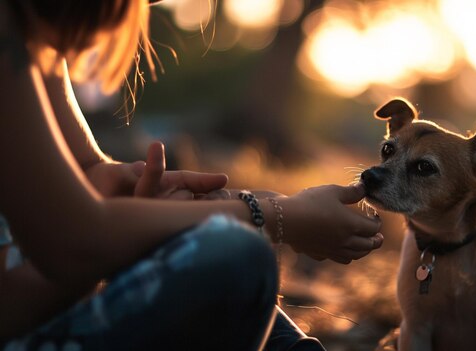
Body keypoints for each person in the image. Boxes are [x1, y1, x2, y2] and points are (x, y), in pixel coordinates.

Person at [0, 0, 384, 349]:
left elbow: (89, 174)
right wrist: (273, 216)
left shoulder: (32, 39)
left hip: (44, 300)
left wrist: (180, 202)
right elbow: (76, 242)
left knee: (213, 247)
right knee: (235, 256)